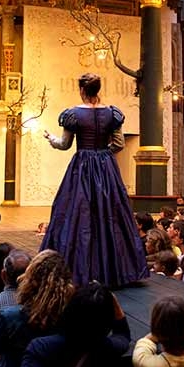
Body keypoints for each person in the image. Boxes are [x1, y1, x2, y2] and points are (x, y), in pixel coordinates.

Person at [41, 73, 148, 287]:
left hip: (82, 167)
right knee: (110, 214)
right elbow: (119, 144)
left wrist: (50, 138)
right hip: (106, 167)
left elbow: (64, 144)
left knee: (77, 213)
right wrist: (103, 155)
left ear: (82, 90)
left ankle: (76, 269)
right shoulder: (112, 114)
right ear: (97, 90)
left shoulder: (73, 115)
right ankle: (115, 270)